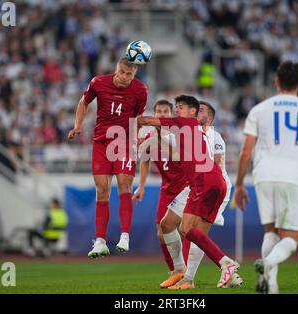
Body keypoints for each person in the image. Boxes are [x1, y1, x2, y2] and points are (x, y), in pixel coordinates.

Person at [234, 61, 298, 294]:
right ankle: (268, 264)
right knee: (291, 238)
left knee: (271, 232)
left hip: (264, 175)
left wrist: (238, 184)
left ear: (276, 82)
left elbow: (246, 152)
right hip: (294, 176)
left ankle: (271, 285)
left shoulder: (259, 109)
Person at [138, 95, 242, 289]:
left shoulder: (186, 124)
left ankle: (220, 264)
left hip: (205, 182)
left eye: (180, 107)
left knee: (187, 230)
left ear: (192, 112)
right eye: (176, 107)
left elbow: (146, 120)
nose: (176, 110)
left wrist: (134, 114)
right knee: (176, 227)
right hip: (206, 183)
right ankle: (218, 270)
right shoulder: (190, 131)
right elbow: (170, 151)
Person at [68, 57, 148, 257]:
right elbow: (83, 102)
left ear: (134, 75)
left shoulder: (140, 90)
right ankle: (101, 241)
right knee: (102, 189)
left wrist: (136, 136)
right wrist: (78, 125)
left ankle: (124, 236)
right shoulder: (98, 82)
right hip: (102, 142)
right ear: (116, 69)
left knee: (124, 184)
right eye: (122, 72)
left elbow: (137, 117)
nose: (124, 77)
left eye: (129, 74)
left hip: (125, 142)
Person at [165, 100, 233, 290]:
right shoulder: (187, 131)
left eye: (201, 110)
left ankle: (189, 278)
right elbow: (167, 146)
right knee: (167, 224)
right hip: (194, 185)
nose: (196, 112)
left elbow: (216, 164)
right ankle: (180, 270)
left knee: (194, 231)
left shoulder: (215, 136)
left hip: (212, 184)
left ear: (209, 118)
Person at [133, 99, 189, 285]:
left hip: (184, 188)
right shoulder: (150, 138)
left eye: (166, 111)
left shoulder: (177, 134)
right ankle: (174, 271)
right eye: (159, 111)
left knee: (186, 230)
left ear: (171, 115)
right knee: (161, 233)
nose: (162, 114)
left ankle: (186, 274)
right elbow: (145, 161)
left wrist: (156, 138)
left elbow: (177, 155)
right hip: (166, 189)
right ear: (154, 114)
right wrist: (141, 186)